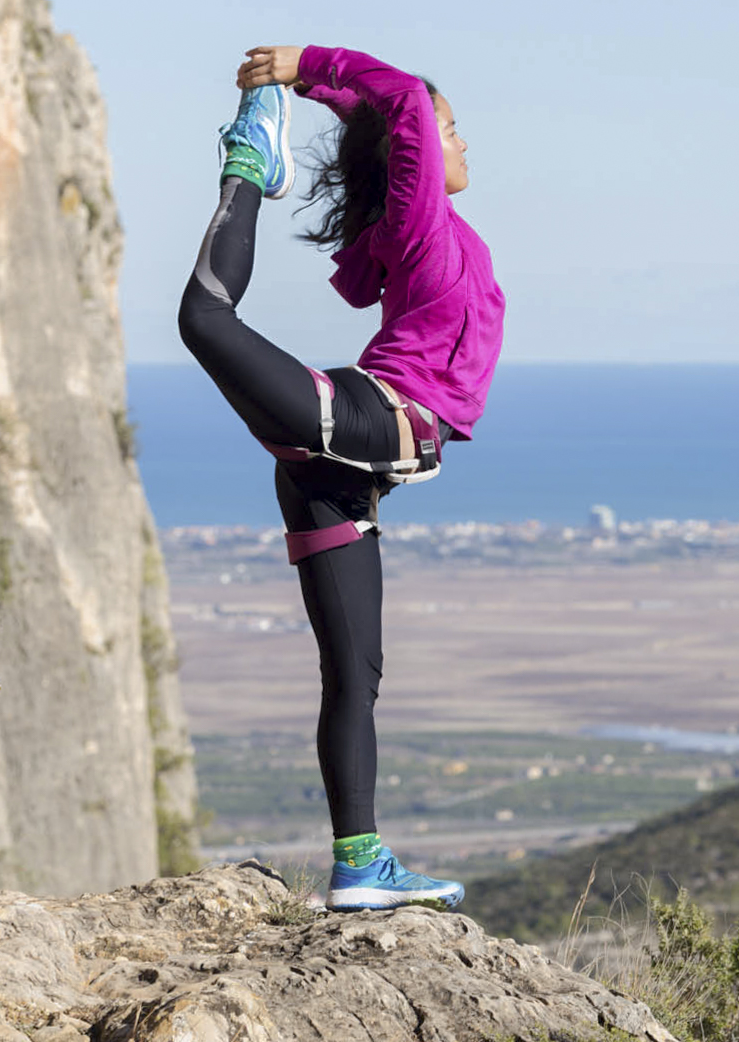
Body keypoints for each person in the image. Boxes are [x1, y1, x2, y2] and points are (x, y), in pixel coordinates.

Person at [178, 44, 505, 911]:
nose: (464, 143)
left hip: (338, 473)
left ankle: (359, 862)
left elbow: (365, 278)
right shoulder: (424, 218)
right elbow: (396, 95)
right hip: (363, 420)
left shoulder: (415, 231)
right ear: (419, 149)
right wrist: (307, 68)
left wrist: (347, 112)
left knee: (353, 670)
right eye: (451, 129)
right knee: (205, 317)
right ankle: (250, 158)